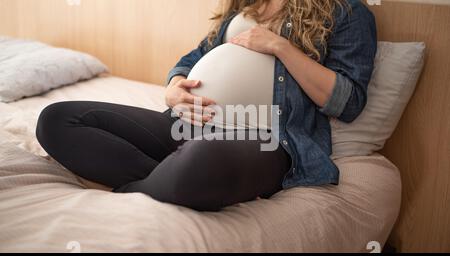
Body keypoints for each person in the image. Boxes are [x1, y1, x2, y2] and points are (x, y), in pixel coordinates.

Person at [36, 0, 377, 211]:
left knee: (203, 158)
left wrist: (279, 46)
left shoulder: (346, 9)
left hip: (268, 137)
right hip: (189, 123)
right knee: (57, 119)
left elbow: (347, 102)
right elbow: (193, 58)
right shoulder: (245, 6)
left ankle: (141, 186)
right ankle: (168, 179)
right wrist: (172, 87)